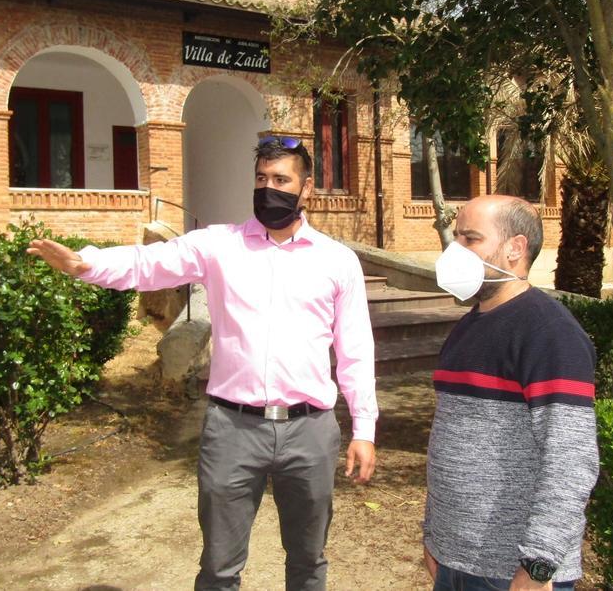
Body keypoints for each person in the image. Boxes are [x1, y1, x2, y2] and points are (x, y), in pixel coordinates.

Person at [27, 137, 378, 591]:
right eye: (261, 179)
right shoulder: (219, 246)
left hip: (309, 431)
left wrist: (365, 430)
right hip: (233, 430)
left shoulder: (337, 261)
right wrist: (86, 264)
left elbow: (356, 349)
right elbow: (148, 263)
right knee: (218, 567)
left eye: (281, 180)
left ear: (306, 189)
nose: (268, 188)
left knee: (309, 563)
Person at [423, 195, 598, 591]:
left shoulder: (550, 334)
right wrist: (433, 535)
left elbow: (571, 459)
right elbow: (450, 440)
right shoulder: (468, 327)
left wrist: (539, 566)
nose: (456, 251)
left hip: (514, 572)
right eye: (456, 238)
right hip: (454, 560)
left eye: (470, 239)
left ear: (515, 248)